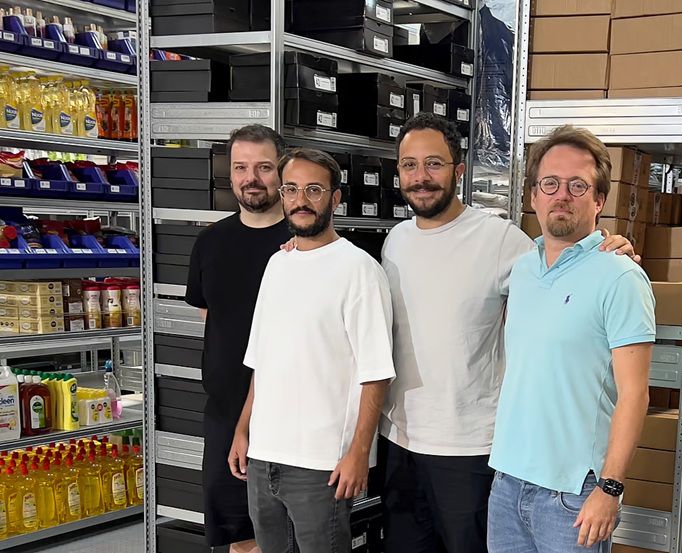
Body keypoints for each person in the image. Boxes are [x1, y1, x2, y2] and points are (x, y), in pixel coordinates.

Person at [377, 113, 639, 553]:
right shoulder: (395, 241)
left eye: (434, 164)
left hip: (470, 447)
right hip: (400, 441)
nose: (421, 177)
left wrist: (611, 248)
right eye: (409, 165)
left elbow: (565, 258)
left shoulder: (502, 240)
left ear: (459, 170)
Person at [487, 125, 655, 553]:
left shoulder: (621, 276)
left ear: (599, 200)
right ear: (533, 196)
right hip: (507, 483)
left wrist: (610, 488)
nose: (562, 195)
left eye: (577, 185)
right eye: (550, 183)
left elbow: (635, 394)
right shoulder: (523, 270)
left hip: (573, 495)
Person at [228, 148, 396, 553]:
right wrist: (243, 429)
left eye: (314, 190)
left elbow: (376, 372)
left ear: (335, 199)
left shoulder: (359, 270)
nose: (300, 200)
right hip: (263, 456)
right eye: (291, 189)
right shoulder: (276, 265)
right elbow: (262, 361)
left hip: (321, 464)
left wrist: (359, 453)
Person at [186, 124, 290, 553]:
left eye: (264, 167)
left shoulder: (302, 241)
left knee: (289, 537)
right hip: (225, 413)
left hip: (290, 413)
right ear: (229, 174)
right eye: (241, 167)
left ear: (281, 171)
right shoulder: (210, 241)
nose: (252, 178)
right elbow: (211, 316)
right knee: (238, 538)